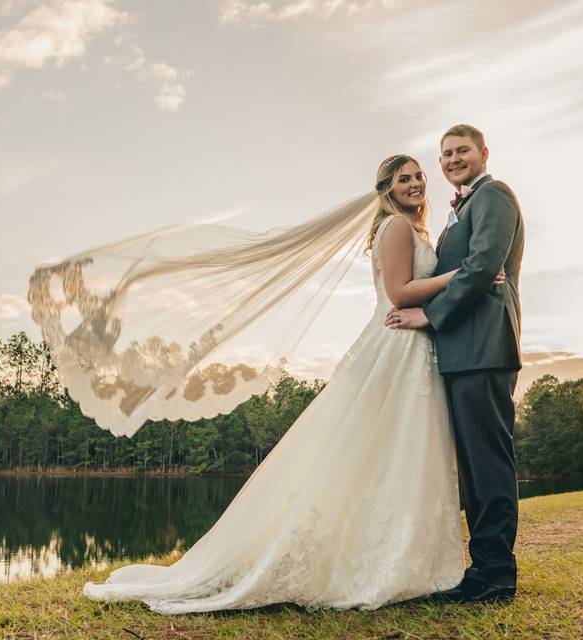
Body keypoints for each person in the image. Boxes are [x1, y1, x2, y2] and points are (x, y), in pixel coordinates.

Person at [81, 154, 502, 614]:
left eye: (420, 175)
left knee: (393, 453)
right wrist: (464, 276)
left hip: (413, 346)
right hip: (397, 345)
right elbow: (399, 293)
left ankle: (396, 555)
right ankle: (376, 559)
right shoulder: (397, 228)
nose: (417, 183)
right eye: (405, 179)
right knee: (385, 448)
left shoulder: (413, 229)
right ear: (386, 190)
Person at [386, 124, 525, 603]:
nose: (451, 159)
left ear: (484, 153)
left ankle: (496, 576)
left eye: (461, 150)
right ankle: (482, 570)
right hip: (462, 353)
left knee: (488, 465)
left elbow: (484, 265)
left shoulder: (494, 195)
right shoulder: (461, 208)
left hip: (484, 347)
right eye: (445, 154)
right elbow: (465, 269)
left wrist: (430, 314)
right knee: (472, 469)